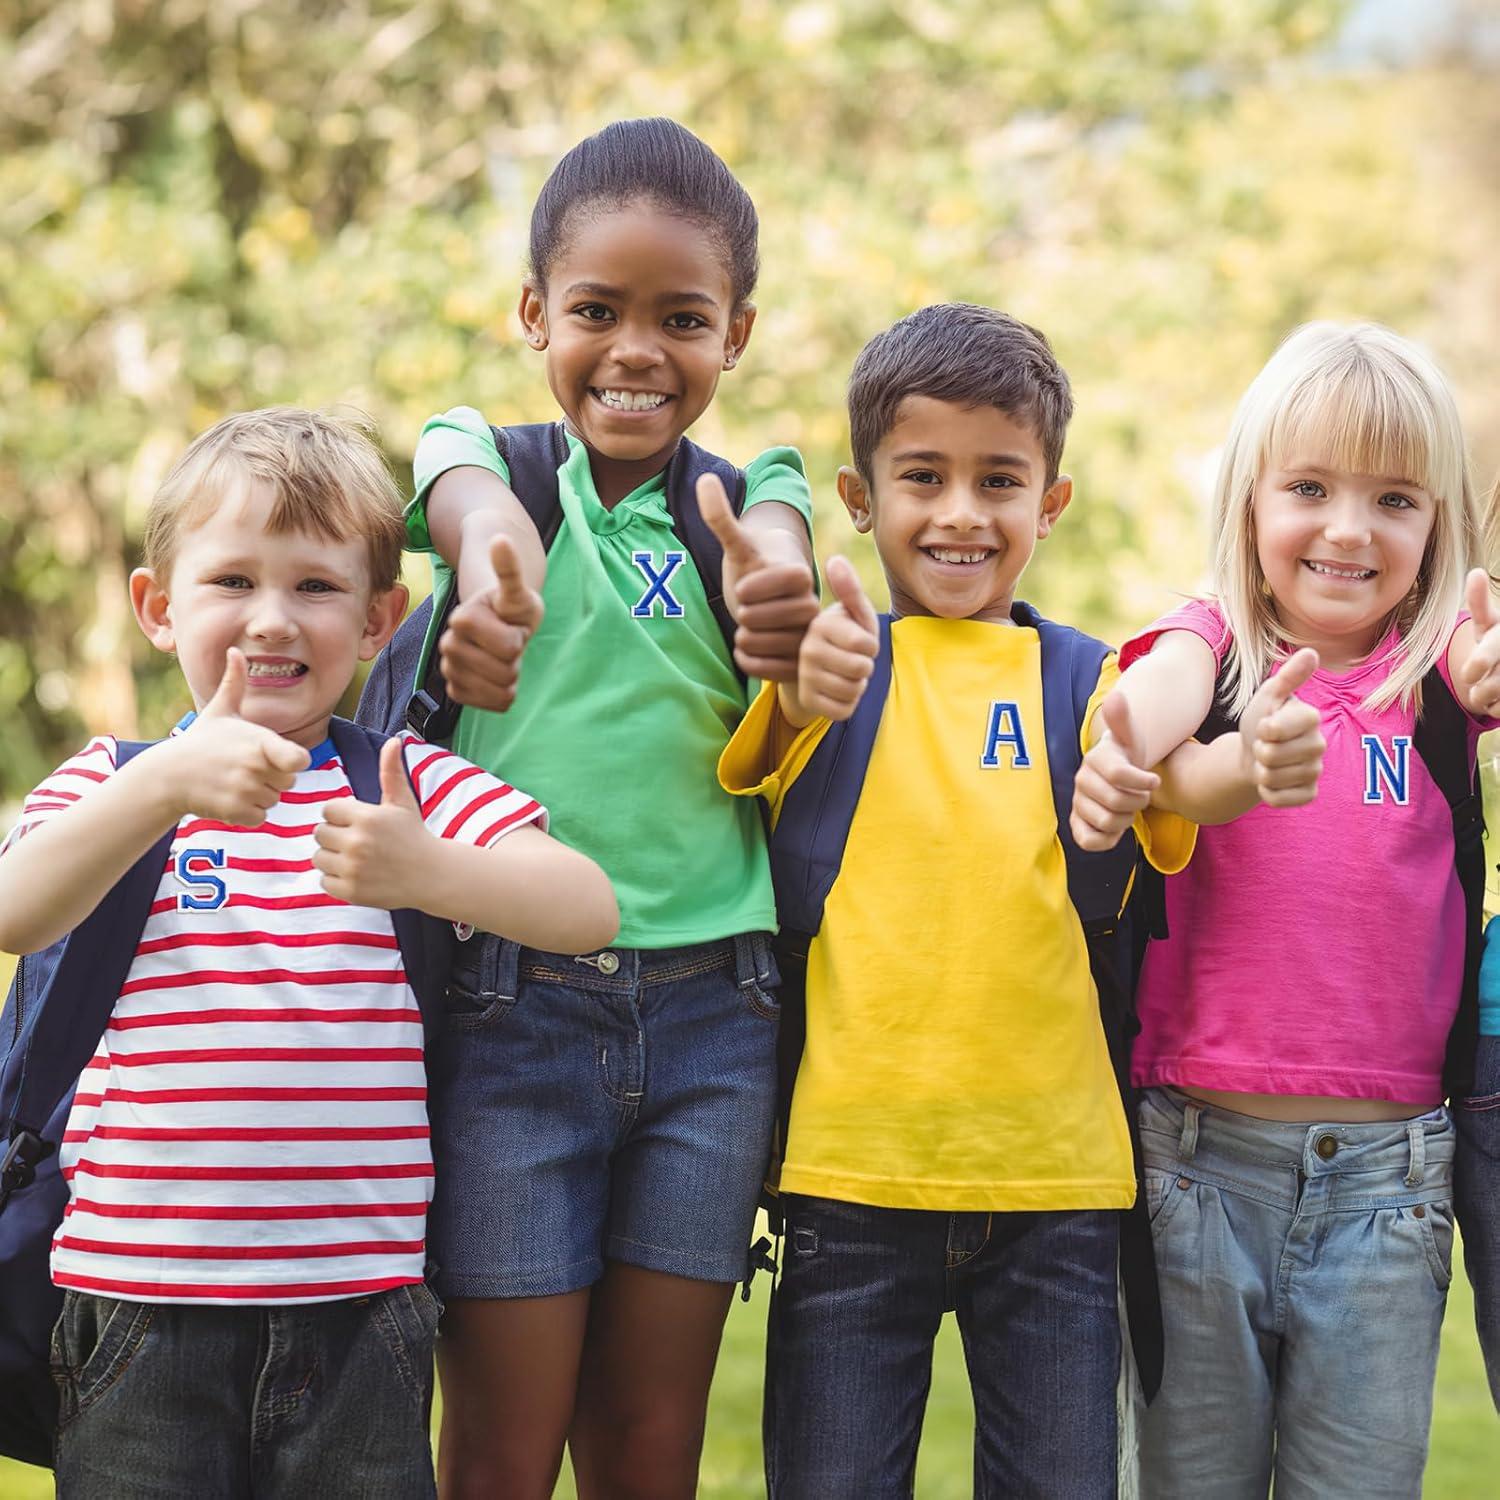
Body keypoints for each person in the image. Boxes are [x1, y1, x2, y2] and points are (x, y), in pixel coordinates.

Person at [0, 407, 617, 1499]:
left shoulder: (404, 784)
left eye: (317, 587)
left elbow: (588, 909)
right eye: (232, 581)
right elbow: (15, 911)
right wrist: (163, 785)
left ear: (379, 619)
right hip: (137, 1299)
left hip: (361, 1309)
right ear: (158, 608)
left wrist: (432, 871)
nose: (273, 619)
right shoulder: (115, 781)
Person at [403, 118, 819, 1499]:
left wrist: (774, 588)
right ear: (534, 313)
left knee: (650, 1441)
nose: (636, 350)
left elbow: (780, 536)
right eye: (596, 311)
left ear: (736, 334)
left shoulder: (745, 500)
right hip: (512, 1011)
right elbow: (453, 478)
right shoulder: (497, 473)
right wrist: (491, 561)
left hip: (718, 1019)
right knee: (501, 1448)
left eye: (682, 319)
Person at [719, 303, 1192, 1499]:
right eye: (923, 476)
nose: (963, 513)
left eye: (1001, 480)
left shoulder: (1089, 679)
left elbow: (1170, 781)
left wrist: (1190, 766)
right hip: (850, 1181)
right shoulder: (833, 666)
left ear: (1052, 502)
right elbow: (773, 736)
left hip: (1058, 1186)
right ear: (860, 496)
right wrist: (809, 677)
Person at [1070, 321, 1498, 1497]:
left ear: (1436, 526)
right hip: (1197, 1172)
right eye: (1310, 489)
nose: (1350, 530)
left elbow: (1484, 659)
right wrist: (1130, 751)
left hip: (1391, 1190)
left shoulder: (1439, 672)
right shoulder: (1213, 645)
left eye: (1394, 499)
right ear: (1250, 502)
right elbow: (1151, 700)